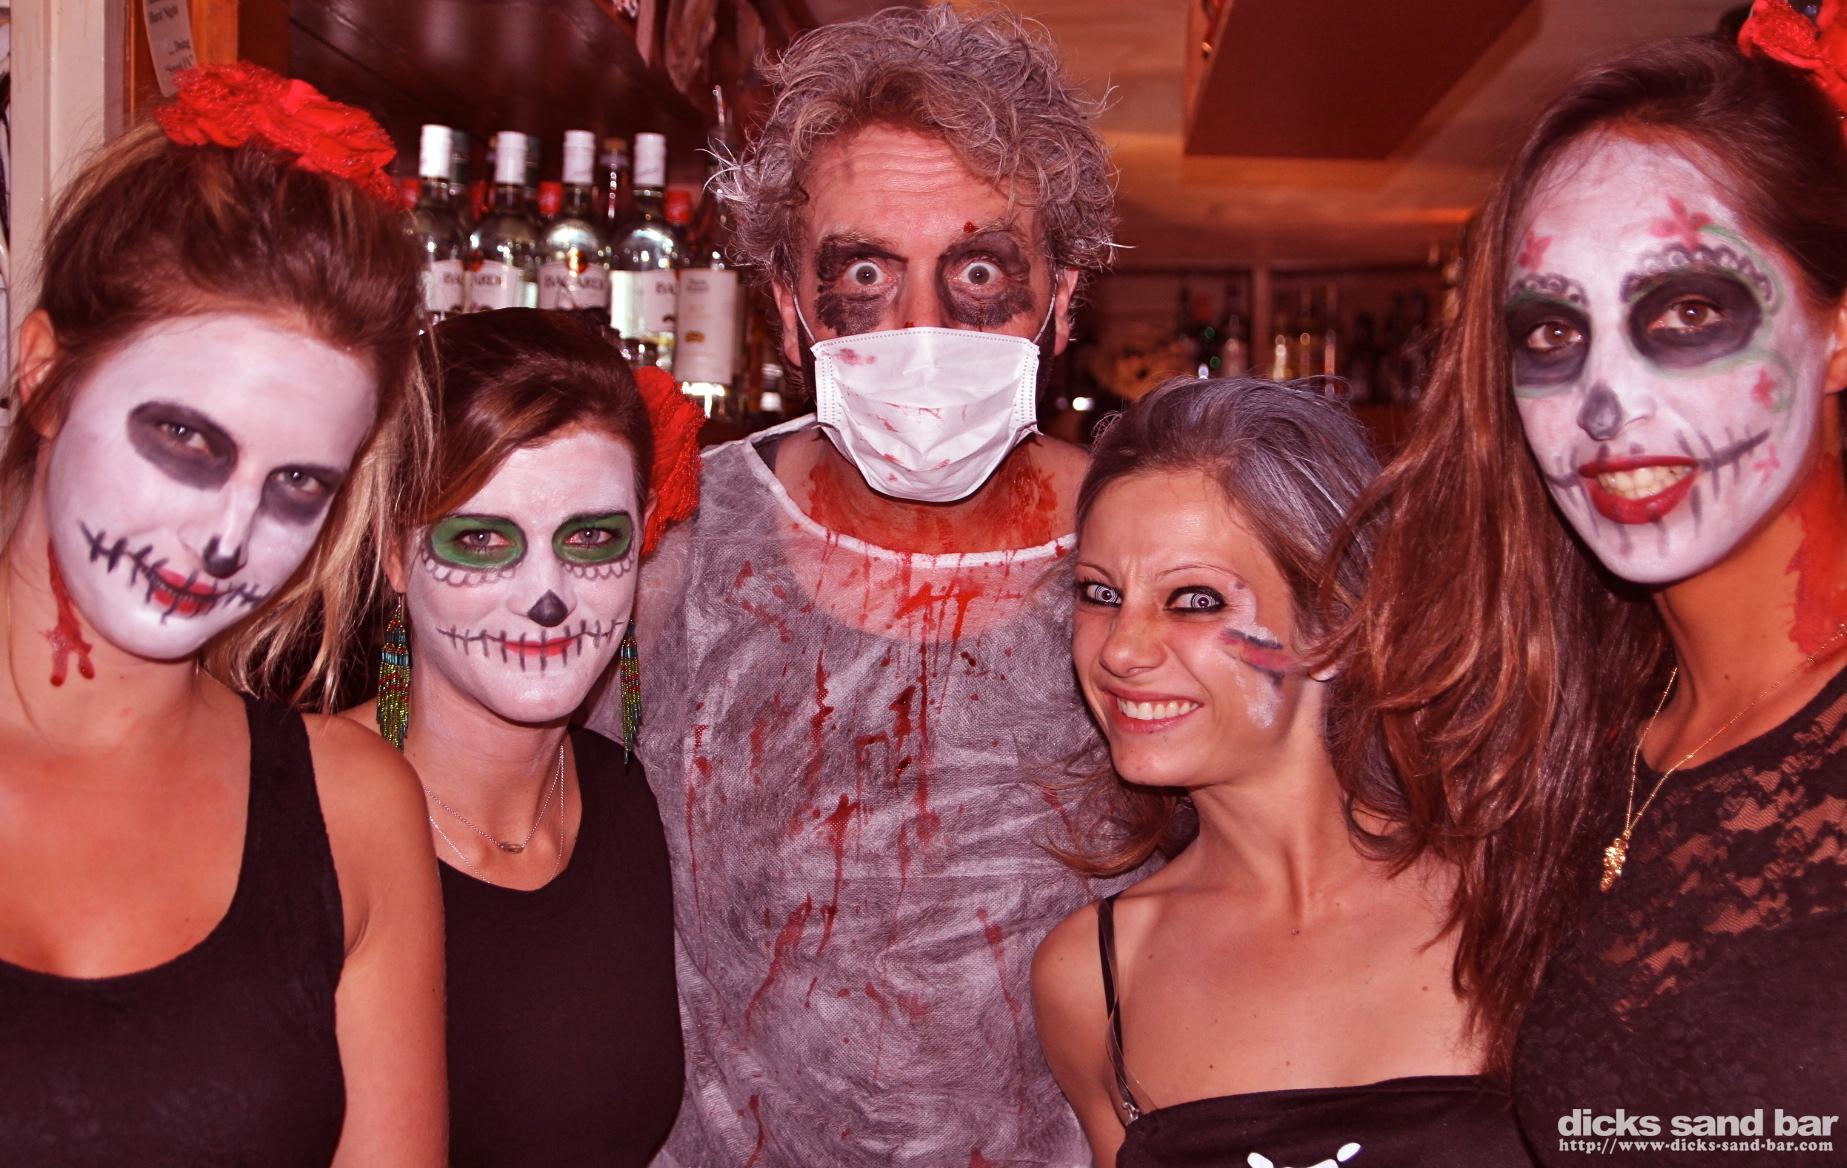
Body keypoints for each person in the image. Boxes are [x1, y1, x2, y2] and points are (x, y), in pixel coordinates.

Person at [590, 6, 1125, 1163]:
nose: (921, 326)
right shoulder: (674, 539)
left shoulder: (1154, 561)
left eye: (976, 269)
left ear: (1061, 299)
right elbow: (478, 786)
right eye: (865, 272)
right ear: (790, 309)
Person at [1332, 7, 1847, 1163]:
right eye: (1551, 333)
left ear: (1835, 329)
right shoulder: (1567, 736)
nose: (1602, 407)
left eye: (1687, 311)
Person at [0, 64, 445, 1163]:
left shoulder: (353, 814)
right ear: (45, 377)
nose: (228, 539)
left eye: (297, 485)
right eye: (187, 440)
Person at [1031, 378, 1534, 1168]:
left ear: (1334, 624)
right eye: (1100, 594)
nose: (1120, 649)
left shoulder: (1516, 904)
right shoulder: (1095, 976)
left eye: (1193, 600)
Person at [344, 308, 701, 1166]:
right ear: (393, 551)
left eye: (591, 538)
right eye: (480, 539)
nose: (547, 598)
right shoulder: (298, 817)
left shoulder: (627, 798)